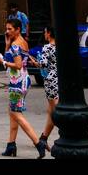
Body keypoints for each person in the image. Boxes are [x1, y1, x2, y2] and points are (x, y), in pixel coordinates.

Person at [0, 17, 45, 158]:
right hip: (23, 80)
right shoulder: (22, 43)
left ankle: (38, 143)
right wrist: (7, 44)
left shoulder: (16, 46)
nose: (7, 31)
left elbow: (17, 65)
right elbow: (17, 59)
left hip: (17, 83)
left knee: (16, 113)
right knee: (12, 112)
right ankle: (11, 145)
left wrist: (1, 62)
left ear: (18, 30)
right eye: (6, 28)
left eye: (10, 29)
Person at [37, 23, 58, 155]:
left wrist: (36, 62)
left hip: (50, 80)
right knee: (51, 109)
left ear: (49, 33)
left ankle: (44, 138)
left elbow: (43, 64)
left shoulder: (47, 47)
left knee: (54, 109)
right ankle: (44, 138)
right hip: (60, 79)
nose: (44, 35)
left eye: (45, 32)